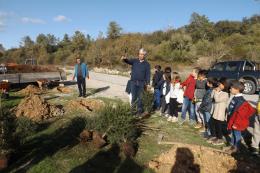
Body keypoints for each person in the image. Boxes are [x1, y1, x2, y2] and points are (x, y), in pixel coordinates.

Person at [226, 80, 256, 153]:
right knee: (233, 134)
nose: (230, 89)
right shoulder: (235, 97)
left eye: (231, 88)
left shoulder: (241, 101)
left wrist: (236, 124)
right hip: (233, 120)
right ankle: (232, 146)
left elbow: (240, 115)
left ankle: (237, 148)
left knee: (237, 134)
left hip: (237, 122)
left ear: (237, 90)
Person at [121, 48, 151, 115]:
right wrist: (124, 59)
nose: (141, 55)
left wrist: (148, 83)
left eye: (143, 54)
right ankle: (132, 111)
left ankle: (139, 112)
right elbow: (128, 61)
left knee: (140, 98)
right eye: (140, 54)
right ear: (138, 54)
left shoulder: (147, 64)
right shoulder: (134, 61)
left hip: (141, 83)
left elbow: (148, 74)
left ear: (145, 55)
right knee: (133, 98)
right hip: (133, 82)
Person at [207, 78, 229, 146]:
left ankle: (220, 138)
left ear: (224, 85)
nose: (219, 85)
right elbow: (211, 97)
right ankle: (214, 136)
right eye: (219, 84)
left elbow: (217, 100)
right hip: (215, 111)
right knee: (211, 123)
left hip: (220, 112)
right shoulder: (218, 90)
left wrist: (216, 91)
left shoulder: (226, 94)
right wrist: (214, 91)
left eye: (220, 84)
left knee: (218, 126)